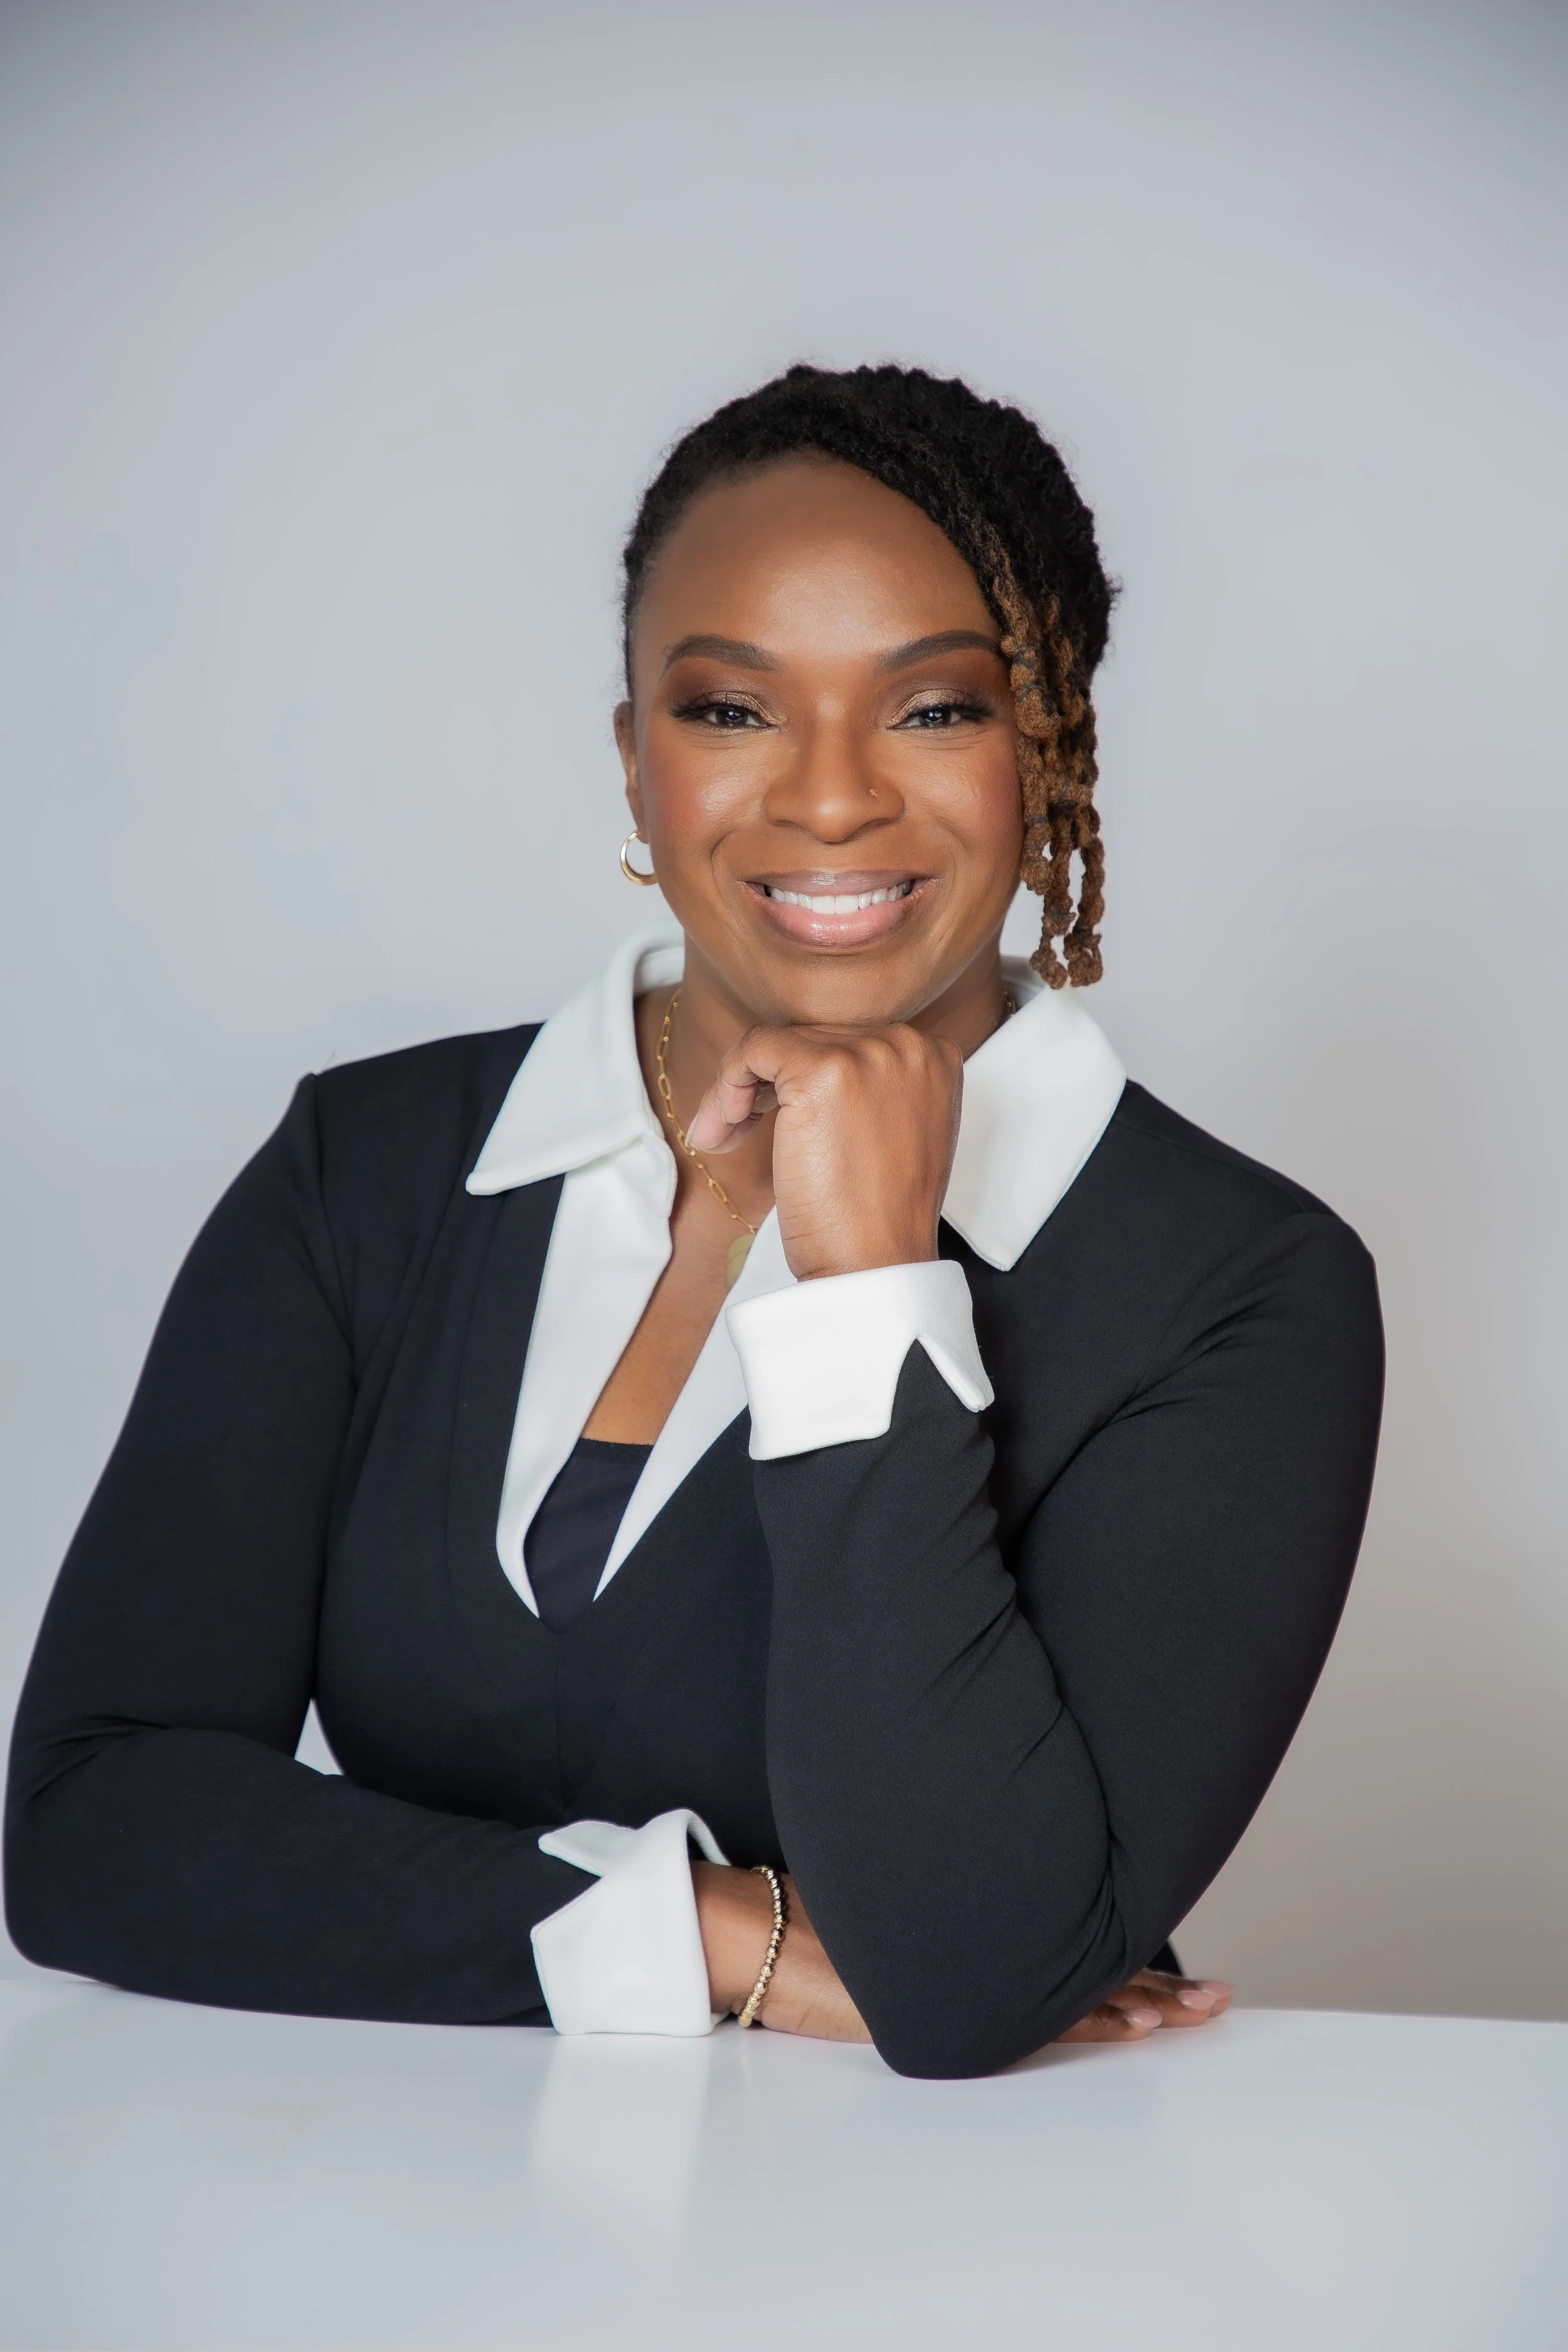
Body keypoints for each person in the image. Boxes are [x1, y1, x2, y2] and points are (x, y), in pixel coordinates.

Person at [3, 364, 1383, 2079]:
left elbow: (964, 1972)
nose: (830, 797)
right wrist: (728, 1932)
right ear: (634, 759)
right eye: (732, 708)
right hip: (382, 2200)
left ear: (1047, 752)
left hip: (964, 2220)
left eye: (933, 708)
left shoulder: (1237, 1290)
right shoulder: (366, 1171)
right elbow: (90, 1822)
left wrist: (870, 1286)